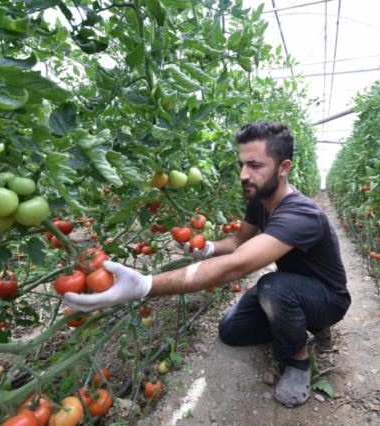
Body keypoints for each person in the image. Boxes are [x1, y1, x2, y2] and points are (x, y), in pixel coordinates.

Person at [64, 121, 351, 407]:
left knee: (272, 287)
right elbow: (239, 239)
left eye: (255, 165)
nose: (243, 175)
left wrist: (145, 285)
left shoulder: (301, 213)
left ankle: (300, 358)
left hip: (329, 298)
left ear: (283, 167)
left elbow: (235, 266)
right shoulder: (260, 199)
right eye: (241, 164)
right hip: (295, 290)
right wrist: (210, 247)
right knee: (231, 330)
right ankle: (302, 324)